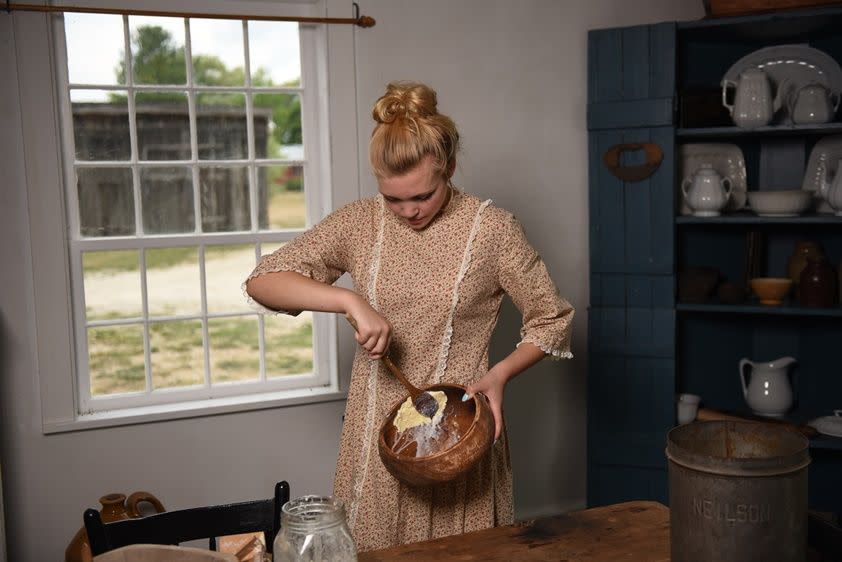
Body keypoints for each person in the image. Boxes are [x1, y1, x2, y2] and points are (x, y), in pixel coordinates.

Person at [244, 81, 574, 552]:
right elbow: (263, 280)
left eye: (422, 195)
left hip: (462, 433)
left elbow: (551, 318)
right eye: (393, 199)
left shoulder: (493, 230)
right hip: (374, 436)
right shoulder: (360, 222)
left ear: (450, 169)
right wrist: (349, 301)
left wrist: (499, 375)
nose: (408, 211)